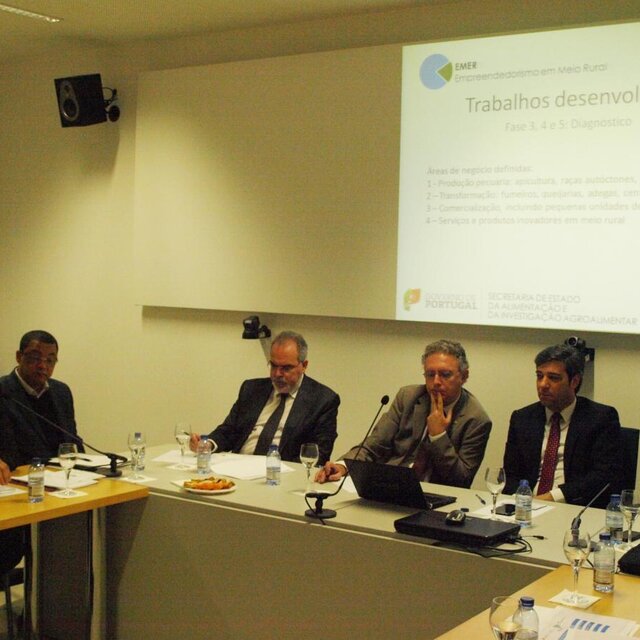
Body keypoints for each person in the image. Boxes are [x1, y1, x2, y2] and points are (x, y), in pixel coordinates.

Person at [316, 339, 491, 488]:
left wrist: (438, 437)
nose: (436, 382)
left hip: (436, 496)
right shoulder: (408, 397)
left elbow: (461, 480)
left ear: (464, 376)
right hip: (390, 486)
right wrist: (343, 466)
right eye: (430, 374)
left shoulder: (476, 419)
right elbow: (374, 446)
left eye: (445, 375)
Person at [190, 331, 339, 465]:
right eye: (273, 366)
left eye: (286, 368)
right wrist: (207, 444)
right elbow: (229, 430)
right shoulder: (252, 389)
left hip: (280, 474)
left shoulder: (323, 400)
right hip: (238, 467)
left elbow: (318, 455)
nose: (277, 374)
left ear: (304, 365)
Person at [502, 344, 623, 507]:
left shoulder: (600, 418)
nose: (543, 384)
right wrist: (521, 501)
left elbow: (601, 476)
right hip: (525, 506)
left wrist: (551, 497)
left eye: (553, 378)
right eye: (539, 376)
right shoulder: (522, 418)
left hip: (574, 506)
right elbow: (510, 475)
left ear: (574, 381)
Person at [0, 330, 82, 469]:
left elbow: (72, 441)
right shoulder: (4, 390)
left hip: (62, 475)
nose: (43, 366)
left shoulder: (61, 392)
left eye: (50, 360)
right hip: (17, 476)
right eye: (35, 358)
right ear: (19, 357)